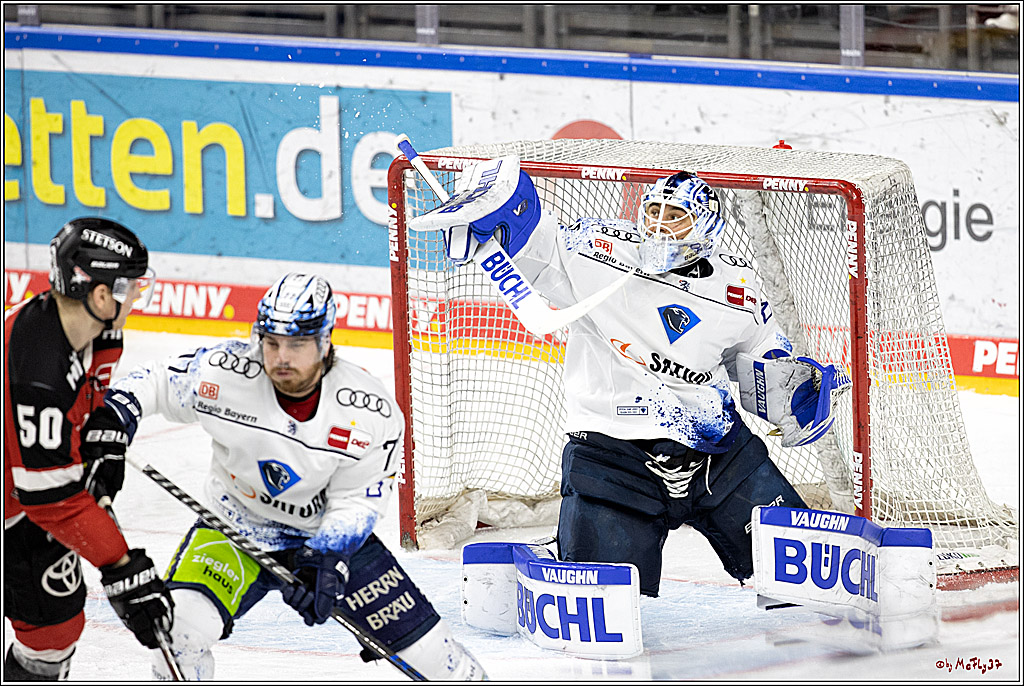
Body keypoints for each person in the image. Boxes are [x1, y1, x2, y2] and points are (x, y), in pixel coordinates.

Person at [445, 162, 847, 597]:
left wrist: (796, 392)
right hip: (612, 457)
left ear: (706, 225)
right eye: (653, 212)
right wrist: (493, 224)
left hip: (717, 454)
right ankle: (557, 555)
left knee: (805, 577)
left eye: (675, 217)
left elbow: (761, 358)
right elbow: (535, 245)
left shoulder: (739, 287)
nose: (659, 226)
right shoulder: (596, 251)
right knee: (601, 599)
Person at [99, 272, 486, 680]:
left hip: (328, 536)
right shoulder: (225, 372)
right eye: (272, 342)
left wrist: (327, 557)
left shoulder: (369, 410)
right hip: (234, 527)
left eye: (297, 344)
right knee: (176, 638)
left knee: (438, 662)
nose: (281, 357)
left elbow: (358, 499)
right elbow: (157, 382)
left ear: (324, 340)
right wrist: (114, 416)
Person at [4, 217, 172, 680]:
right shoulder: (39, 371)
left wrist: (102, 433)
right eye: (131, 287)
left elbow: (90, 399)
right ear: (101, 295)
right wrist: (122, 566)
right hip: (22, 497)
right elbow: (52, 502)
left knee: (54, 629)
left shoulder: (95, 331)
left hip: (23, 492)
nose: (136, 298)